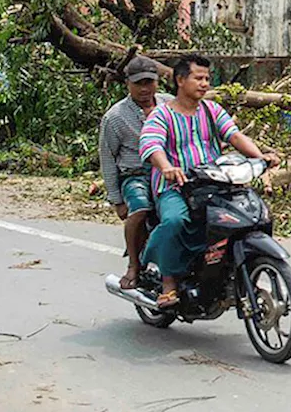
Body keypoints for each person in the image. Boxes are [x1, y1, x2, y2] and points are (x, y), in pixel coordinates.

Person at [139, 54, 278, 308]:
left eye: (207, 79)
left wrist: (262, 157)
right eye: (198, 78)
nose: (204, 84)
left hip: (214, 182)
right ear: (181, 80)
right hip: (176, 187)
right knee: (175, 220)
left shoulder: (212, 110)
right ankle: (168, 282)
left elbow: (235, 137)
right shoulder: (161, 115)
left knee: (251, 216)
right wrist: (167, 167)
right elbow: (151, 145)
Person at [98, 55, 171, 290]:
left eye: (149, 82)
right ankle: (133, 264)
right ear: (127, 83)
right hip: (136, 175)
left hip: (168, 170)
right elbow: (107, 158)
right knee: (139, 209)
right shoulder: (115, 117)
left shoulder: (170, 105)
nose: (145, 89)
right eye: (139, 83)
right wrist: (116, 200)